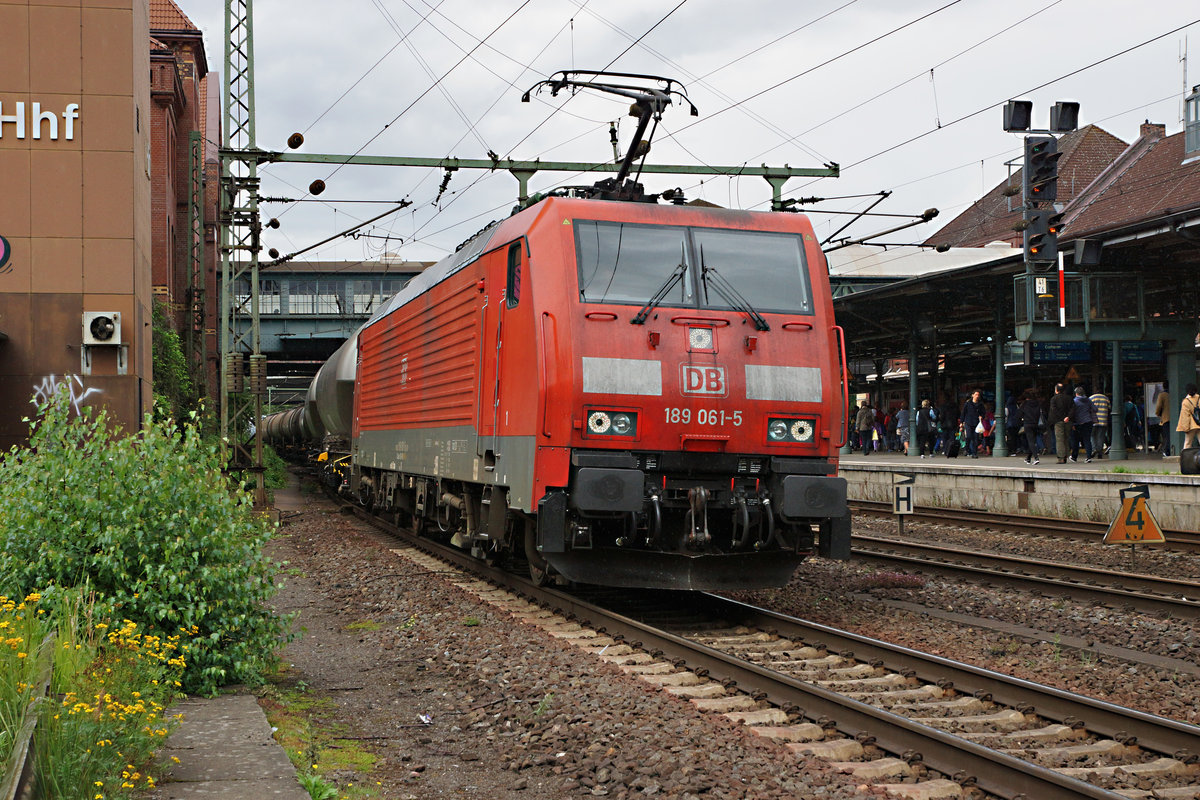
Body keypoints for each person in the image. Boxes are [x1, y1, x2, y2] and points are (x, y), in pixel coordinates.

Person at [1069, 387, 1096, 463]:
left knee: (1075, 440)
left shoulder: (1074, 401)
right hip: (1088, 421)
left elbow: (1072, 412)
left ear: (1076, 393)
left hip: (1077, 423)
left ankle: (1074, 457)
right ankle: (1088, 457)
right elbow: (1095, 409)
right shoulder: (1088, 400)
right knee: (1087, 440)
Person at [1049, 383, 1073, 464]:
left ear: (1056, 390)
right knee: (1066, 438)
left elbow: (1054, 410)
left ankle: (1061, 457)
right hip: (1068, 421)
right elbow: (1073, 409)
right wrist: (1068, 417)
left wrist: (1062, 417)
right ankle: (1066, 454)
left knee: (1059, 439)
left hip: (1058, 421)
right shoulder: (1069, 398)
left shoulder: (1054, 399)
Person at [960, 390, 985, 458]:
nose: (977, 396)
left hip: (976, 423)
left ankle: (974, 453)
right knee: (968, 436)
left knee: (975, 439)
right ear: (972, 395)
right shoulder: (968, 403)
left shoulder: (980, 404)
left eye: (978, 395)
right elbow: (963, 413)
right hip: (968, 422)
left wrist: (982, 416)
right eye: (976, 394)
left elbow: (983, 412)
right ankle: (966, 448)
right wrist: (961, 422)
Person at [1020, 389, 1041, 465]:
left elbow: (1020, 413)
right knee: (1032, 441)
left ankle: (1036, 457)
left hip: (1027, 423)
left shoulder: (1025, 404)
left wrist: (1022, 419)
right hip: (1035, 423)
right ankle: (1028, 458)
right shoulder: (1037, 403)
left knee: (1030, 441)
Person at [1176, 383, 1200, 451]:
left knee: (1187, 443)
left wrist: (1185, 428)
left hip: (1191, 425)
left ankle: (1185, 459)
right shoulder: (1199, 398)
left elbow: (1185, 417)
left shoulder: (1186, 402)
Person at [1089, 389, 1111, 458]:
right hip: (1103, 420)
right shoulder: (1106, 398)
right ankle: (1100, 453)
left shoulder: (1091, 398)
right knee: (1100, 436)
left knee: (1092, 435)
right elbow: (1109, 408)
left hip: (1093, 420)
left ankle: (1094, 449)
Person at [1154, 382, 1171, 457]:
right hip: (1176, 418)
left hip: (1166, 418)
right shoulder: (1173, 393)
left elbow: (1159, 406)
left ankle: (1167, 451)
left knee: (1167, 436)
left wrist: (1157, 413)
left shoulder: (1162, 395)